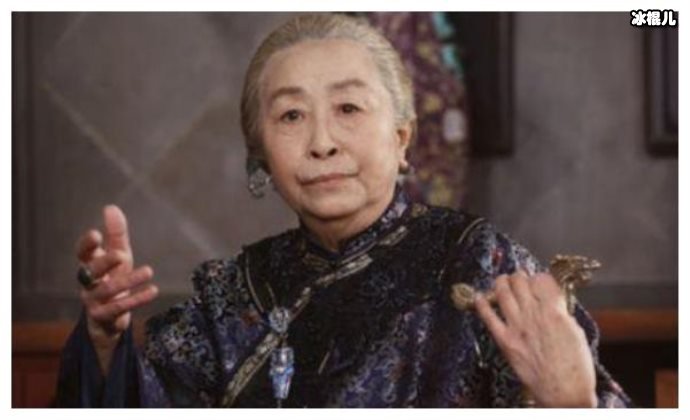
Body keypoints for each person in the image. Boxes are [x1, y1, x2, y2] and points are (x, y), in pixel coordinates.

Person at [56, 13, 631, 408]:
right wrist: (105, 339)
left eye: (349, 108)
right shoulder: (229, 296)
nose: (322, 143)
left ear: (402, 138)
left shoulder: (480, 264)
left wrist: (572, 402)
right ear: (261, 153)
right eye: (291, 116)